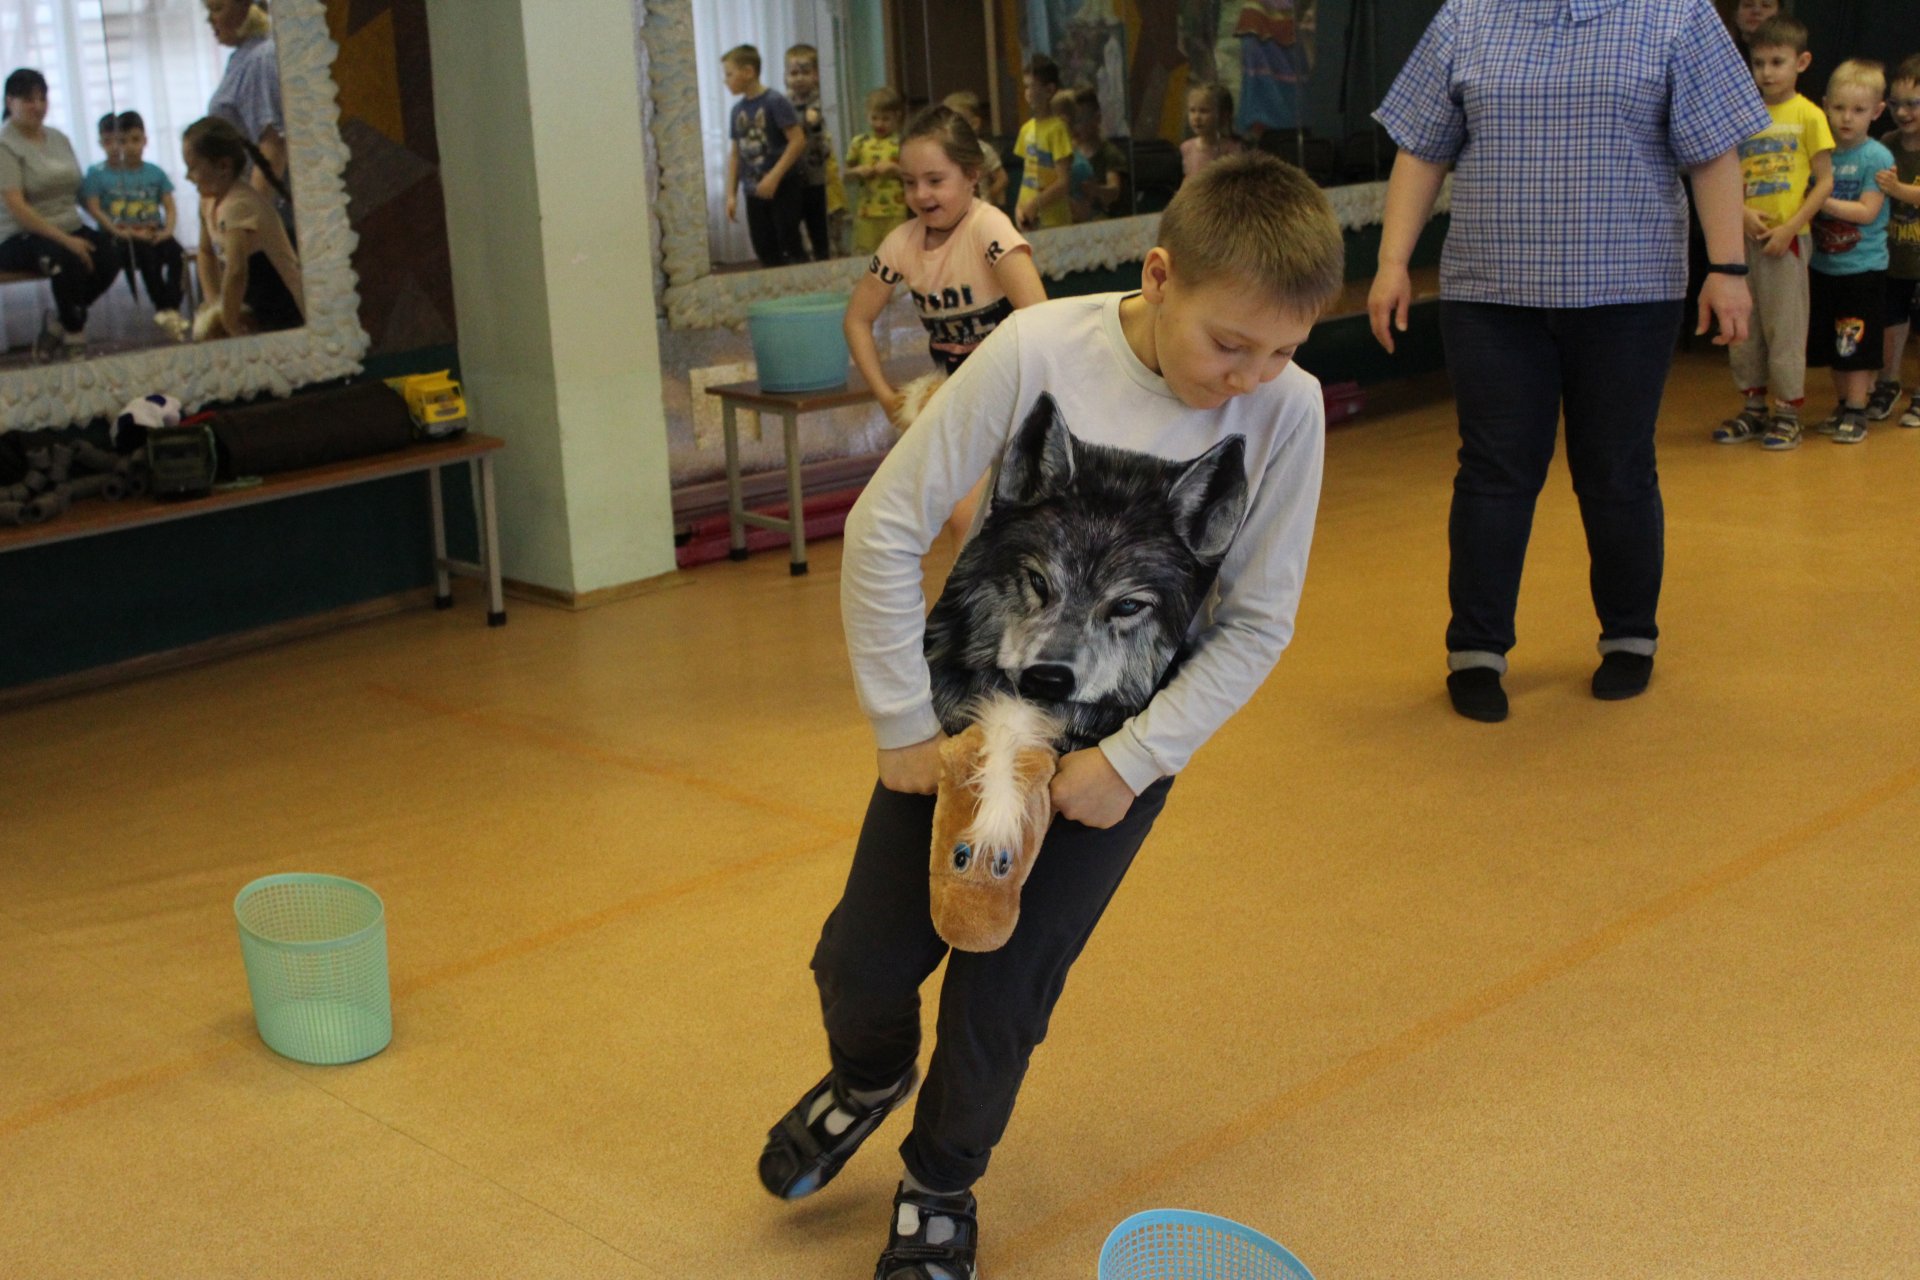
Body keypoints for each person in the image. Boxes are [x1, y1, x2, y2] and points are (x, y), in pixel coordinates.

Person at [760, 151, 1344, 1280]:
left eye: (1285, 348)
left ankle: (939, 1180)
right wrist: (897, 725)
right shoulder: (1035, 351)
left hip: (1112, 759)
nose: (1253, 375)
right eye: (1231, 343)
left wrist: (1132, 758)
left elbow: (1258, 622)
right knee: (866, 963)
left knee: (1003, 991)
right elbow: (885, 530)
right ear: (1160, 273)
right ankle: (870, 1070)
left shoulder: (1290, 410)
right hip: (964, 730)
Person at [1368, 0, 1768, 723]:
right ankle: (1476, 651)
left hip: (1629, 291)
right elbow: (1423, 147)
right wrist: (1393, 261)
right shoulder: (1467, 16)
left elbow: (1712, 151)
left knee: (1615, 468)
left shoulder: (1675, 16)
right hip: (1491, 294)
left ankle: (1629, 638)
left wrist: (1729, 267)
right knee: (1493, 470)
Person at [842, 104, 1047, 542]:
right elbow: (857, 319)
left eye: (935, 181)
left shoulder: (988, 228)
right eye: (909, 182)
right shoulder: (902, 242)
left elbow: (1040, 317)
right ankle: (974, 608)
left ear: (972, 175)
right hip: (959, 397)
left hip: (1015, 393)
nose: (921, 194)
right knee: (963, 518)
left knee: (1005, 523)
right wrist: (884, 395)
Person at [1714, 16, 1833, 450]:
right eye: (1758, 62)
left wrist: (1791, 227)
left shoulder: (1809, 116)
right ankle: (1752, 408)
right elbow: (1721, 174)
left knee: (1785, 328)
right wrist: (1741, 211)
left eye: (1777, 61)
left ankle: (1788, 412)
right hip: (1743, 236)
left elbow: (1824, 182)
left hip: (1787, 240)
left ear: (1801, 62)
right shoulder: (1741, 112)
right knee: (1744, 327)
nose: (1766, 72)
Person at [0, 68, 119, 361]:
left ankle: (57, 323)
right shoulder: (5, 145)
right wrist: (67, 242)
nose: (38, 106)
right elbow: (19, 209)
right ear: (9, 102)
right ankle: (75, 335)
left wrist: (110, 226)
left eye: (42, 98)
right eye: (28, 99)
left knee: (110, 254)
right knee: (67, 260)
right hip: (20, 235)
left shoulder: (58, 138)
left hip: (68, 225)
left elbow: (80, 191)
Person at [1804, 59, 1893, 444]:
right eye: (1839, 107)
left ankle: (1857, 409)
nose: (1846, 118)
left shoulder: (1876, 157)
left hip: (1862, 270)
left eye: (1858, 110)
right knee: (1831, 343)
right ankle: (1842, 403)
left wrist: (1819, 201)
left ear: (1876, 112)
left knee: (1854, 343)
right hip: (1823, 265)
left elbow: (1867, 211)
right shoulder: (1820, 152)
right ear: (1824, 104)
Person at [184, 116, 303, 336]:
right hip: (246, 289)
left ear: (223, 166)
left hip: (279, 298)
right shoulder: (208, 200)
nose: (187, 177)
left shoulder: (239, 205)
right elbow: (206, 253)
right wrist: (214, 306)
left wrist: (229, 322)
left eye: (192, 168)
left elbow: (237, 270)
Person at [78, 110, 188, 338]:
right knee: (148, 258)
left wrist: (167, 231)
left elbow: (169, 206)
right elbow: (94, 208)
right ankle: (164, 309)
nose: (129, 147)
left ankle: (172, 307)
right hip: (121, 237)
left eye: (135, 140)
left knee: (178, 255)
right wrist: (124, 232)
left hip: (154, 231)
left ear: (145, 140)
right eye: (122, 141)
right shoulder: (99, 174)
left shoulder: (154, 172)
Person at [722, 44, 808, 268]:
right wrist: (731, 194)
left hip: (783, 186)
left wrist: (774, 176)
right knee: (764, 246)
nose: (726, 80)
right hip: (754, 191)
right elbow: (735, 155)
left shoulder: (775, 101)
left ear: (748, 72)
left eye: (729, 74)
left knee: (789, 240)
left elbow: (797, 141)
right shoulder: (736, 111)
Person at [1871, 54, 1920, 428]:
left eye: (1913, 104)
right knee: (1891, 322)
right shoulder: (1886, 143)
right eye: (1896, 104)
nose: (1902, 112)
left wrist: (1898, 188)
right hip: (1895, 257)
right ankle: (1888, 383)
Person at [202, 0, 286, 203]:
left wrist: (253, 219)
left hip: (262, 210)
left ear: (248, 9)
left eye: (217, 9)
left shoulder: (261, 58)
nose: (209, 19)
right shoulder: (241, 58)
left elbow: (271, 147)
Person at [784, 44, 839, 262]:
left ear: (816, 75)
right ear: (786, 76)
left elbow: (824, 140)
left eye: (805, 72)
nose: (799, 78)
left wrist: (815, 123)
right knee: (790, 226)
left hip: (817, 176)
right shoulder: (782, 104)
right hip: (791, 176)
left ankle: (824, 257)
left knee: (819, 225)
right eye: (794, 73)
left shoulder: (822, 101)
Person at [846, 87, 907, 257]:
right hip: (867, 211)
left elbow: (914, 176)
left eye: (886, 119)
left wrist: (895, 169)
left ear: (897, 116)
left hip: (896, 211)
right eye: (875, 118)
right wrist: (858, 171)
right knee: (865, 255)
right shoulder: (859, 143)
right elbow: (846, 175)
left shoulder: (903, 143)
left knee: (896, 253)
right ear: (867, 115)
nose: (879, 124)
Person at [1013, 54, 1071, 230]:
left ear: (1049, 90)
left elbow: (1063, 182)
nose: (1028, 93)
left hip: (1053, 221)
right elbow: (1027, 175)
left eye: (1032, 86)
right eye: (1026, 87)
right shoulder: (1026, 129)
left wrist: (1036, 204)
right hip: (1029, 217)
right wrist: (1019, 207)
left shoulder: (1057, 129)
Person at [1066, 86, 1126, 221]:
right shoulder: (1067, 154)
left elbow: (1114, 190)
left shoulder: (1109, 153)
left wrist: (1096, 190)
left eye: (1080, 120)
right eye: (1072, 121)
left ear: (1097, 119)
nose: (1075, 127)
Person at [942, 91, 1007, 208]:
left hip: (980, 209)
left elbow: (1002, 178)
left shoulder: (984, 150)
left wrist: (989, 196)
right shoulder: (945, 151)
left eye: (957, 121)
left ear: (974, 123)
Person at [1181, 82, 1244, 179]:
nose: (1196, 117)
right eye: (1192, 110)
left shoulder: (1232, 151)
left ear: (1223, 115)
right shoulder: (1186, 148)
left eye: (1204, 111)